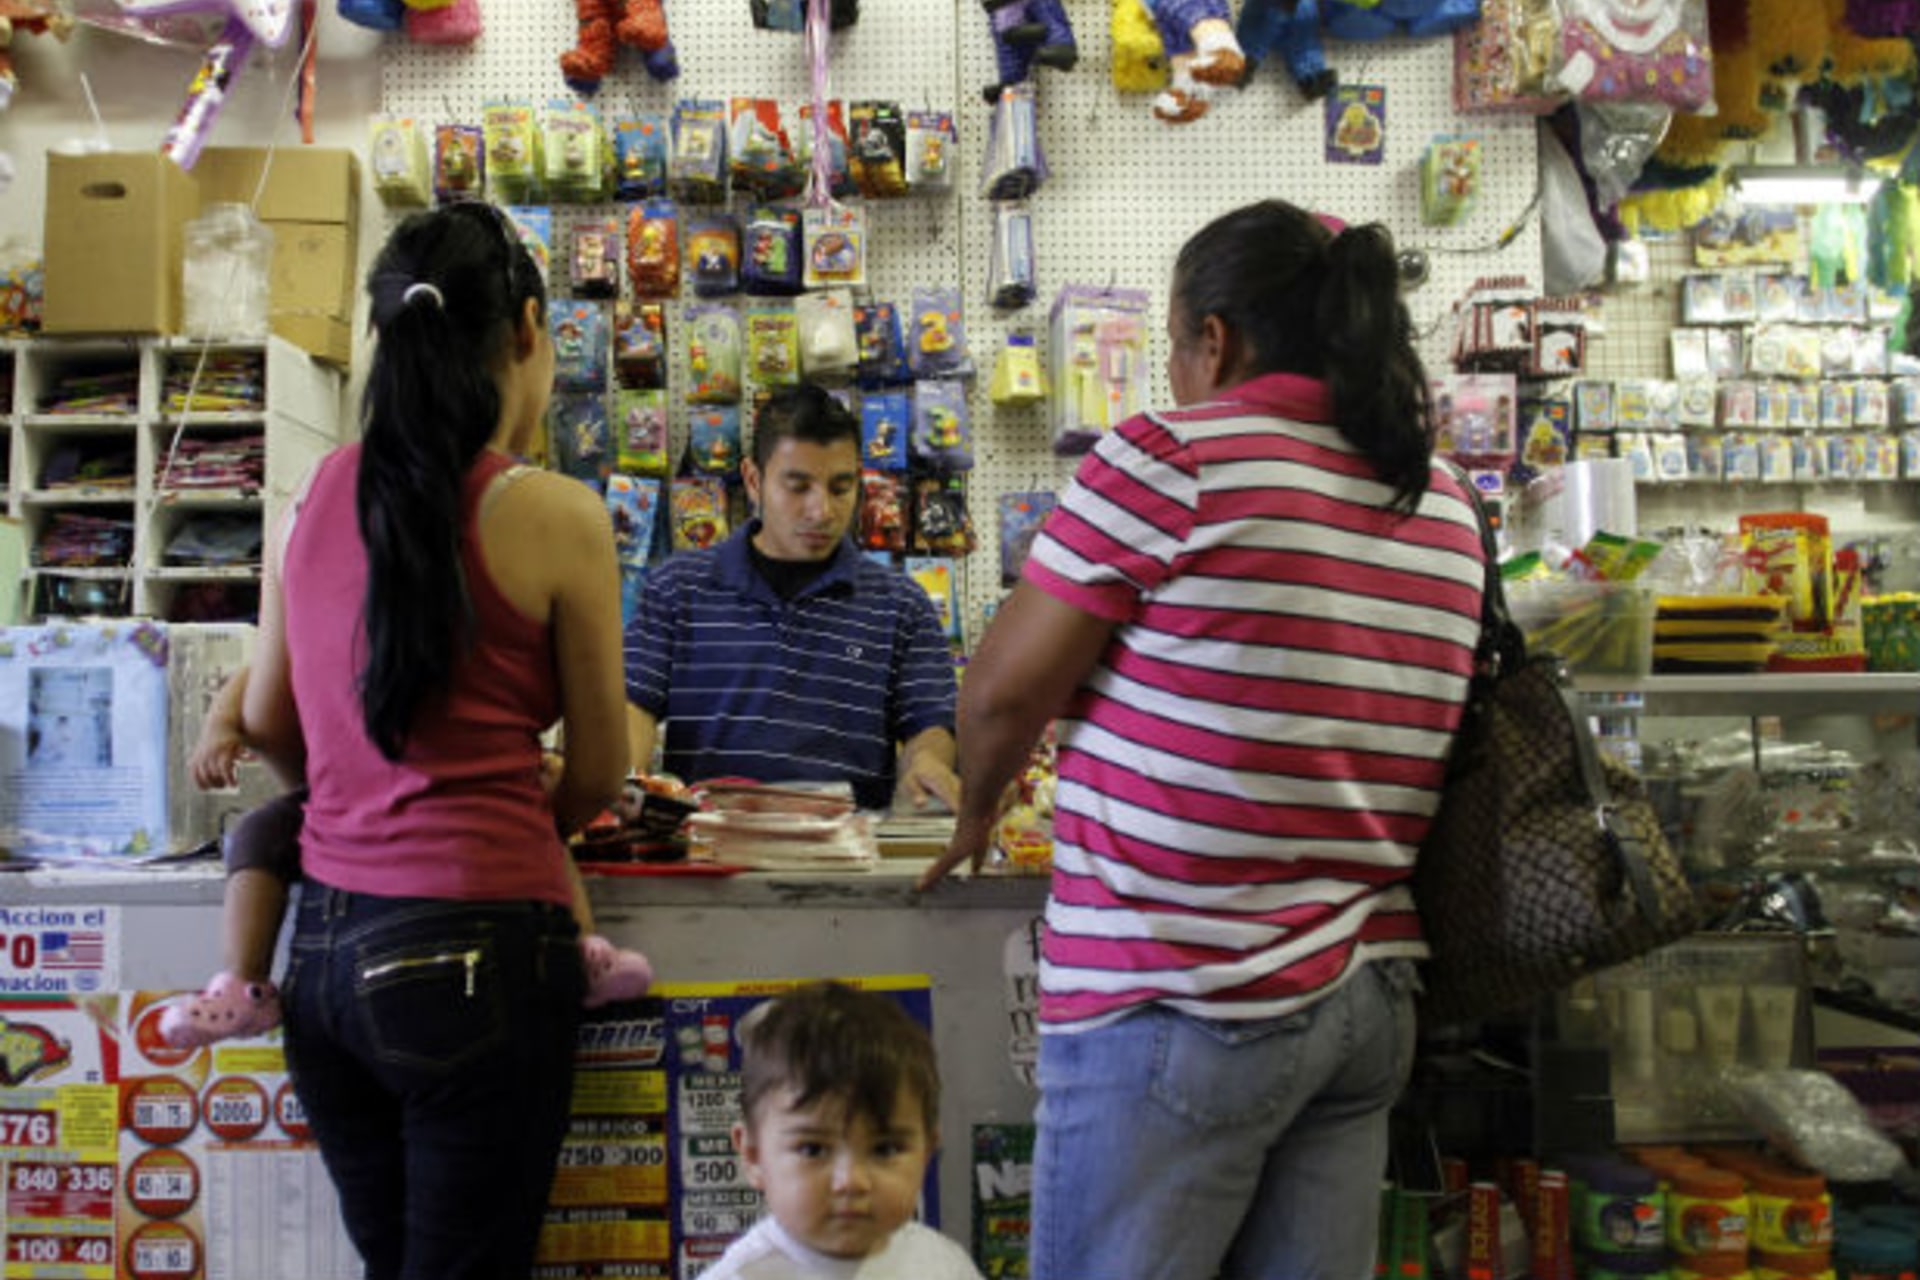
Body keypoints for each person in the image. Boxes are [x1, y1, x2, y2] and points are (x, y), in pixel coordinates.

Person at [917, 200, 1488, 1280]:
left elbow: (996, 697)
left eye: (1175, 345)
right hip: (1367, 998)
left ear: (1213, 338)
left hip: (1184, 987)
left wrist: (979, 804)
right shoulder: (1445, 498)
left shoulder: (1175, 455)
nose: (1172, 372)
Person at [214, 199, 631, 1280]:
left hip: (324, 963)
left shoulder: (314, 495)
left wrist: (363, 787)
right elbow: (598, 772)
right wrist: (489, 807)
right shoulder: (560, 515)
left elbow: (266, 717)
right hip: (485, 957)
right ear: (528, 331)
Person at [162, 665, 652, 1049]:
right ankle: (244, 984)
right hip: (343, 796)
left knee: (538, 822)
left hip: (443, 794)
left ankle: (585, 952)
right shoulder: (338, 605)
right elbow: (255, 678)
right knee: (258, 832)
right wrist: (220, 727)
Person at [624, 383, 960, 812]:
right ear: (752, 480)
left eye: (840, 488)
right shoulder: (677, 589)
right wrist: (623, 779)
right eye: (798, 486)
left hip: (850, 863)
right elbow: (632, 705)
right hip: (708, 859)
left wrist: (926, 766)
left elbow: (930, 722)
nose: (821, 510)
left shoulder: (901, 604)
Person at [705, 981, 985, 1280]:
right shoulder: (742, 1275)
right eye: (812, 1149)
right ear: (753, 1156)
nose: (851, 1181)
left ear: (926, 1152)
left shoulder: (944, 1265)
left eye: (885, 1149)